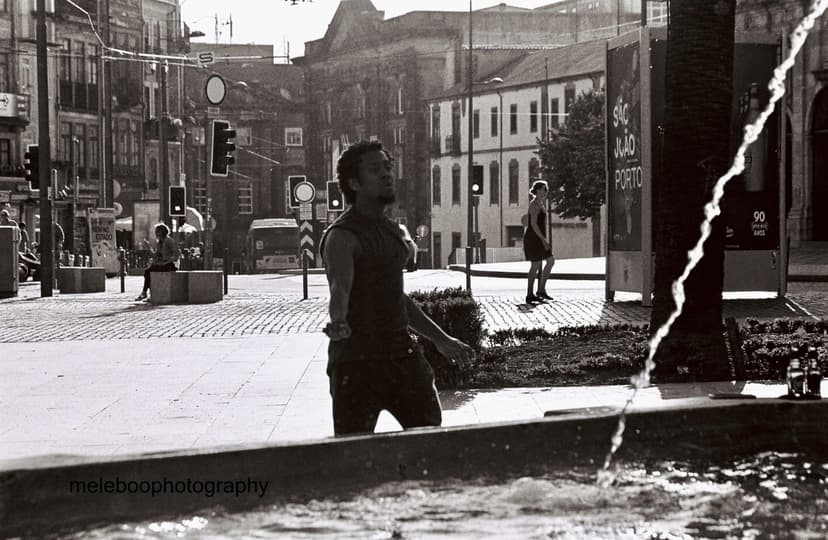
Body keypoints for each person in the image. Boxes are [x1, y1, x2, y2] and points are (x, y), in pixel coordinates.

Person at [320, 139, 474, 436]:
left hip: (402, 357)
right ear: (354, 182)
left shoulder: (392, 231)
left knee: (429, 442)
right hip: (357, 363)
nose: (387, 174)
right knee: (355, 453)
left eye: (388, 167)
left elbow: (394, 297)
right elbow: (341, 287)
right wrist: (338, 321)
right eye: (375, 169)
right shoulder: (342, 235)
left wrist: (441, 339)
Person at [523, 179, 555, 304]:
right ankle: (529, 294)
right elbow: (534, 224)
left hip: (540, 238)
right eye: (543, 189)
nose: (545, 191)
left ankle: (541, 290)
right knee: (535, 265)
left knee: (550, 261)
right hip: (533, 238)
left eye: (546, 189)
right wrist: (543, 240)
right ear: (537, 191)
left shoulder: (541, 204)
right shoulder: (534, 204)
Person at [135, 223, 180, 301]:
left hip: (171, 265)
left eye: (157, 231)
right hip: (163, 264)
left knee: (149, 271)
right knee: (149, 271)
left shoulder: (169, 241)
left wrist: (166, 261)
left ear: (162, 232)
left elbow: (176, 254)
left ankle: (145, 292)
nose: (156, 233)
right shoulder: (160, 242)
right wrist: (148, 247)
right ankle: (150, 293)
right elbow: (155, 255)